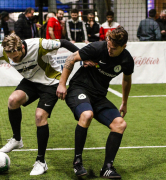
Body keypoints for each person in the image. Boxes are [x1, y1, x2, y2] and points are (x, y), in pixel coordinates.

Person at [0, 34, 79, 175]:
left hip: (51, 83)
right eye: (10, 58)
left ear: (21, 48)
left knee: (40, 116)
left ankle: (41, 162)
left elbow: (63, 42)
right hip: (31, 81)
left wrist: (83, 56)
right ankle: (17, 139)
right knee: (13, 100)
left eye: (15, 57)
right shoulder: (5, 52)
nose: (13, 60)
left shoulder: (39, 45)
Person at [56, 27, 134, 179]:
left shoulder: (127, 60)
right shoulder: (97, 47)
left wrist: (124, 102)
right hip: (79, 89)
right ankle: (77, 162)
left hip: (98, 96)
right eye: (109, 46)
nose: (110, 50)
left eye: (114, 49)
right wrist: (62, 84)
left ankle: (107, 167)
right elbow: (71, 58)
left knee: (120, 124)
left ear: (124, 46)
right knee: (87, 114)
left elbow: (126, 79)